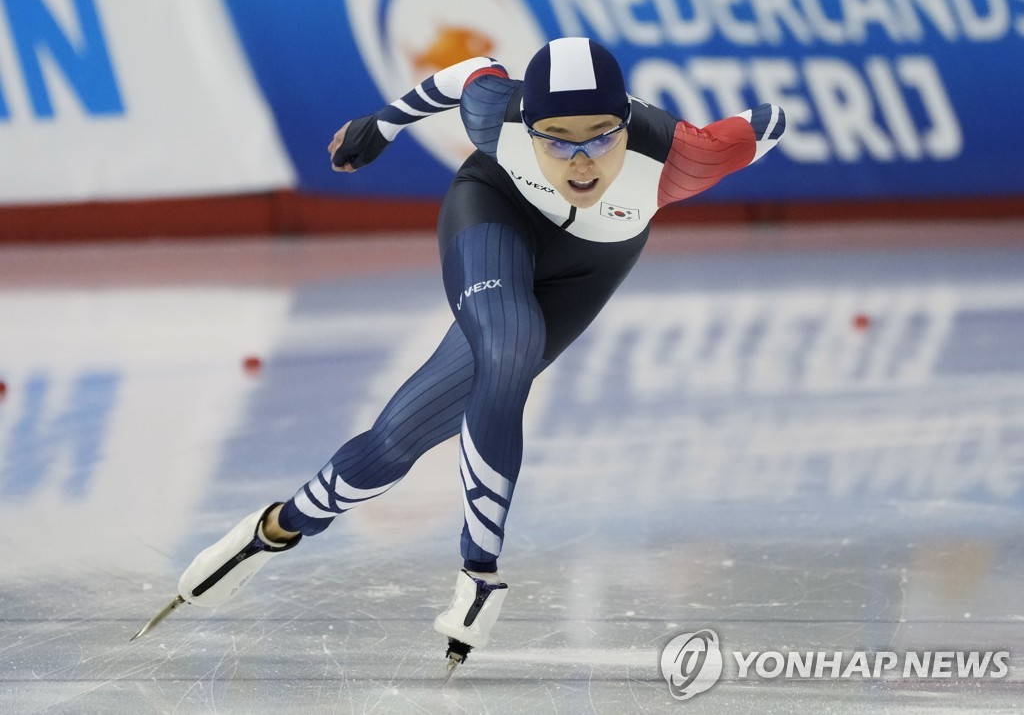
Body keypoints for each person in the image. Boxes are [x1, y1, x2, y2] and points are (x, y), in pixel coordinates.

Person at [141, 37, 785, 674]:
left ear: (627, 127)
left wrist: (768, 123)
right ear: (526, 125)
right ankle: (480, 574)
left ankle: (272, 530)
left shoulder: (685, 156)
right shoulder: (495, 115)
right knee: (508, 347)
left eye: (601, 137)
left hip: (589, 268)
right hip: (493, 212)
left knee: (396, 440)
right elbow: (473, 71)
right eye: (557, 138)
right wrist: (381, 125)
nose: (581, 160)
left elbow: (767, 122)